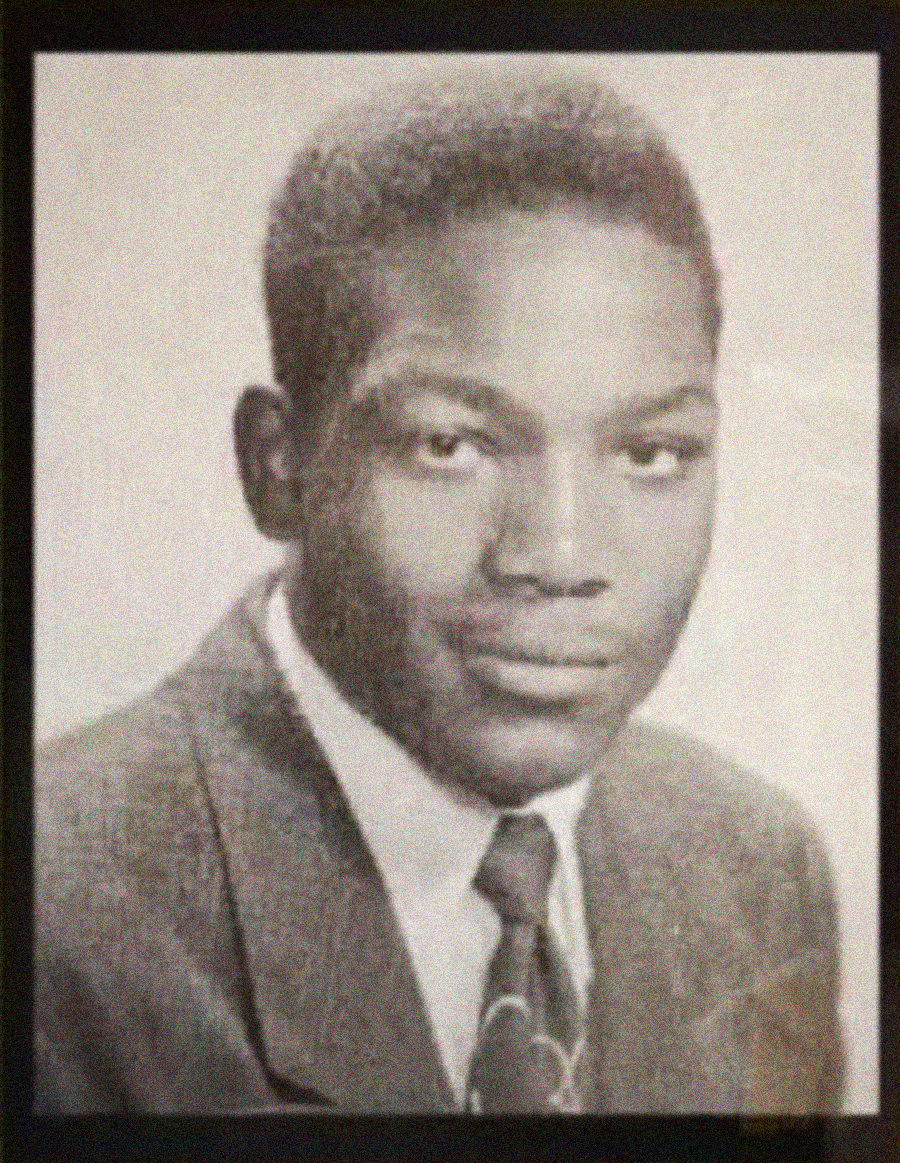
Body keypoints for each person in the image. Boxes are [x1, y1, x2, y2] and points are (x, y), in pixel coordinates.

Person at [35, 68, 845, 1114]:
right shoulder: (53, 917)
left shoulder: (760, 868)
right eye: (449, 444)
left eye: (650, 451)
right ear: (278, 466)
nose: (557, 552)